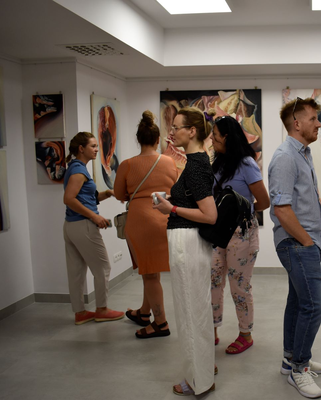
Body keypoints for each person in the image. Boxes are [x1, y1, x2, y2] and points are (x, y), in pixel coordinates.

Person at [153, 107, 217, 396]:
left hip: (188, 244)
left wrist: (172, 208)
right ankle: (203, 370)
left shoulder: (196, 166)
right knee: (195, 309)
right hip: (188, 242)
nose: (172, 132)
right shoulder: (196, 163)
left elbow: (210, 215)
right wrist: (172, 201)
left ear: (192, 131)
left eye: (177, 127)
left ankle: (198, 380)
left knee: (190, 312)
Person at [268, 98, 321, 399]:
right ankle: (299, 368)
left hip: (306, 242)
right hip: (296, 243)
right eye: (313, 118)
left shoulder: (302, 153)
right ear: (297, 123)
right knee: (314, 305)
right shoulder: (285, 157)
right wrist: (306, 241)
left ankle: (289, 359)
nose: (318, 124)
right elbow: (281, 209)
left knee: (298, 301)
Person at [113, 111, 178, 339]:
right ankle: (143, 312)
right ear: (158, 140)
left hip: (141, 221)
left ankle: (160, 323)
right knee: (151, 271)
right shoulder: (169, 161)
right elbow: (175, 188)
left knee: (149, 273)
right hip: (165, 219)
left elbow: (119, 194)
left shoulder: (127, 165)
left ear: (138, 140)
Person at [210, 116, 270, 355]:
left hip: (241, 233)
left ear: (226, 137)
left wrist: (239, 211)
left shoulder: (246, 163)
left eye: (215, 135)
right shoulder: (218, 163)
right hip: (217, 232)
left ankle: (245, 334)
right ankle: (212, 329)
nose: (212, 139)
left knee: (239, 285)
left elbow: (263, 201)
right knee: (213, 280)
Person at [62, 131, 124, 325]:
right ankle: (102, 309)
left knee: (76, 271)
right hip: (83, 226)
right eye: (93, 146)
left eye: (97, 146)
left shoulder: (76, 167)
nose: (97, 149)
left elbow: (87, 198)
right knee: (103, 267)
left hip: (71, 226)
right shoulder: (79, 171)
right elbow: (69, 199)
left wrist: (108, 193)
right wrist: (94, 216)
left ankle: (80, 312)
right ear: (81, 149)